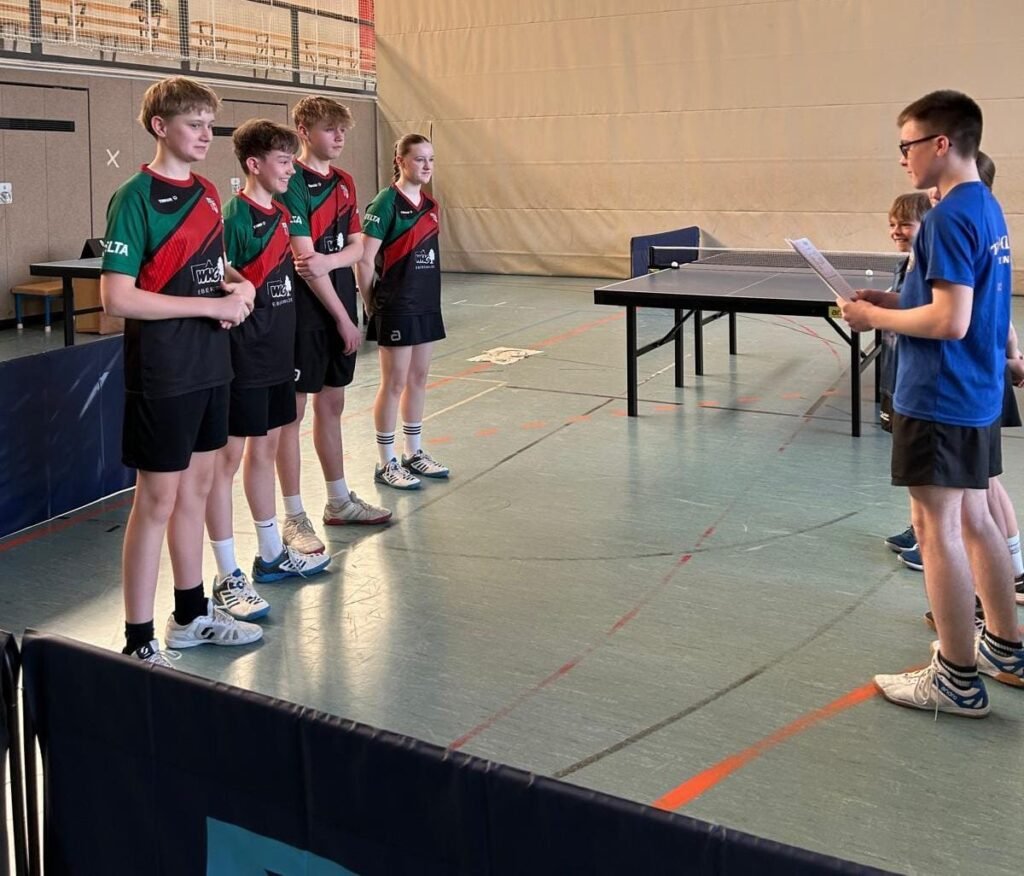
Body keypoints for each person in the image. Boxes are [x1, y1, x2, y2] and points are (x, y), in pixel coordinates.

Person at [840, 90, 1023, 717]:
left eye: (907, 145)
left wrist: (871, 318)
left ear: (941, 143)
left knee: (934, 528)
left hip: (941, 396)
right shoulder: (986, 206)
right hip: (976, 391)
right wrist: (890, 301)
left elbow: (949, 320)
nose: (903, 159)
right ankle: (1004, 646)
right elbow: (953, 303)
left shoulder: (944, 218)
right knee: (977, 518)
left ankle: (956, 680)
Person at [99, 77, 263, 666]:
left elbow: (214, 266)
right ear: (160, 126)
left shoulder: (209, 193)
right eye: (194, 124)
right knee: (157, 500)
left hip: (211, 364)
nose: (205, 135)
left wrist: (240, 285)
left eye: (209, 125)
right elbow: (118, 297)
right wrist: (209, 307)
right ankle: (138, 639)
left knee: (198, 488)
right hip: (164, 370)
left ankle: (191, 616)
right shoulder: (134, 197)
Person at [205, 119, 331, 622]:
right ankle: (225, 573)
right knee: (226, 463)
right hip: (243, 357)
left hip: (281, 353)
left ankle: (271, 554)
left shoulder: (280, 215)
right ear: (254, 164)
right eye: (283, 162)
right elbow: (214, 273)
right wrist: (240, 285)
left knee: (268, 449)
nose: (291, 171)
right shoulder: (233, 217)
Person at [887, 155, 1024, 604]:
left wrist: (873, 315)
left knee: (955, 519)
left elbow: (951, 320)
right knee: (978, 499)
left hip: (952, 388)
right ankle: (1003, 600)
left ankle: (973, 626)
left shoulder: (951, 225)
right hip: (979, 380)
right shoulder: (989, 217)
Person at [275, 96, 391, 555]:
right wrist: (344, 317)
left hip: (339, 302)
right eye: (329, 128)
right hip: (302, 315)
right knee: (292, 414)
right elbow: (305, 262)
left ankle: (339, 500)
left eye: (343, 129)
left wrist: (332, 260)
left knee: (333, 404)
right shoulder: (291, 182)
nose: (339, 136)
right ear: (303, 131)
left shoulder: (344, 182)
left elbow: (359, 248)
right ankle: (293, 516)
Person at [355, 134, 449, 490]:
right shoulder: (385, 203)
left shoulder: (431, 205)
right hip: (396, 307)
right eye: (419, 158)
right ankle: (386, 461)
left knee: (419, 378)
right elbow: (364, 260)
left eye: (431, 159)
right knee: (394, 383)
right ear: (400, 161)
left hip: (426, 304)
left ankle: (413, 451)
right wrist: (371, 304)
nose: (427, 165)